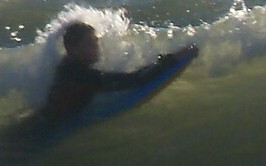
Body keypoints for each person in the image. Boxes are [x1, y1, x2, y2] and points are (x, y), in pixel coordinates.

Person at [32, 21, 197, 127]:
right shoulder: (82, 75)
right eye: (89, 44)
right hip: (41, 131)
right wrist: (173, 59)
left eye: (95, 42)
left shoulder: (67, 66)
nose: (96, 48)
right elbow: (137, 80)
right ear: (72, 48)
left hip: (40, 123)